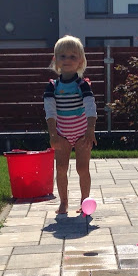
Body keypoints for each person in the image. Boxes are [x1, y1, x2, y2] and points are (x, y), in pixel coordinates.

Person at [44, 35, 97, 214]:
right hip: (62, 134)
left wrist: (90, 130)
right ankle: (63, 202)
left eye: (73, 56)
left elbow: (90, 107)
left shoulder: (82, 85)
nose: (67, 60)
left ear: (80, 61)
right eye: (63, 56)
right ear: (56, 60)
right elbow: (50, 112)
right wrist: (53, 134)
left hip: (82, 133)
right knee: (61, 168)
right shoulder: (53, 86)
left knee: (82, 168)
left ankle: (84, 201)